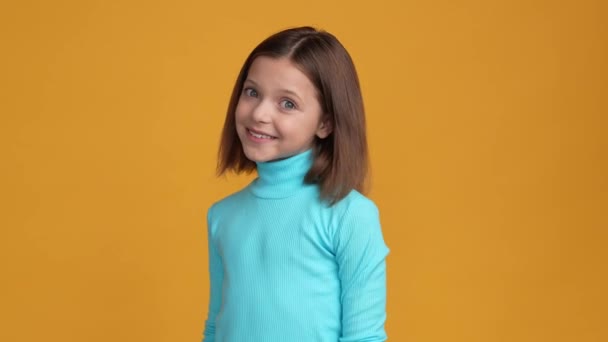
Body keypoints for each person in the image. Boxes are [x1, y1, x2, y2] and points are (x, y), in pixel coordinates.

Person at [203, 26, 389, 342]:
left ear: (326, 122)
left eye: (287, 103)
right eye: (252, 92)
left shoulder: (349, 216)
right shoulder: (222, 216)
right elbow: (215, 326)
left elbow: (364, 338)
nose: (259, 113)